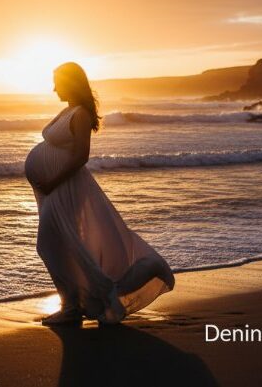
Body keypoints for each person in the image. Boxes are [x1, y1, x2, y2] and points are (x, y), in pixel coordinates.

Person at [25, 61, 175, 326]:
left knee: (49, 244)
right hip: (56, 188)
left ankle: (83, 302)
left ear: (71, 82)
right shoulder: (68, 110)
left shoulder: (80, 114)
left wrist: (52, 181)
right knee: (60, 246)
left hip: (67, 186)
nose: (53, 88)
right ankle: (71, 306)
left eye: (57, 82)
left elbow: (81, 156)